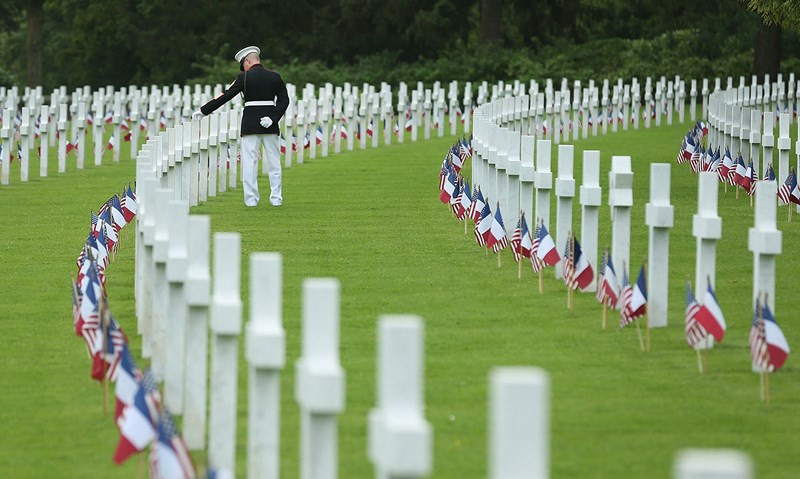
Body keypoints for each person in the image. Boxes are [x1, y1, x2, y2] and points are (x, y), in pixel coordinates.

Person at [193, 46, 289, 207]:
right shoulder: (275, 76)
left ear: (248, 61)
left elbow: (225, 95)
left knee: (249, 163)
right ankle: (276, 199)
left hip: (250, 124)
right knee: (274, 163)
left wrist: (204, 111)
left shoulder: (244, 77)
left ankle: (251, 200)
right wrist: (273, 119)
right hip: (270, 126)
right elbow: (284, 101)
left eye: (243, 64)